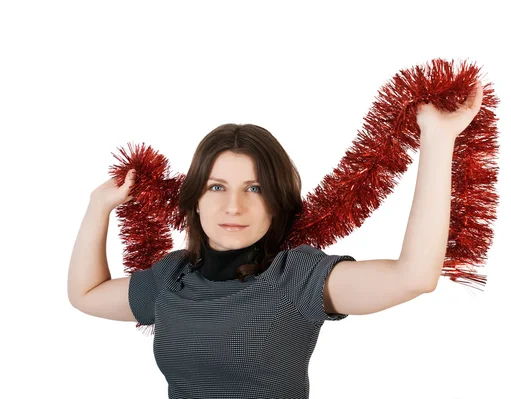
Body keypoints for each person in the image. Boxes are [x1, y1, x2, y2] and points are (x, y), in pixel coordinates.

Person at [67, 81, 483, 398]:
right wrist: (98, 206)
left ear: (277, 204)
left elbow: (413, 277)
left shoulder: (296, 277)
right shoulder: (170, 278)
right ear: (194, 200)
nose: (233, 206)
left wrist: (437, 137)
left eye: (254, 188)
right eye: (216, 187)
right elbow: (86, 294)